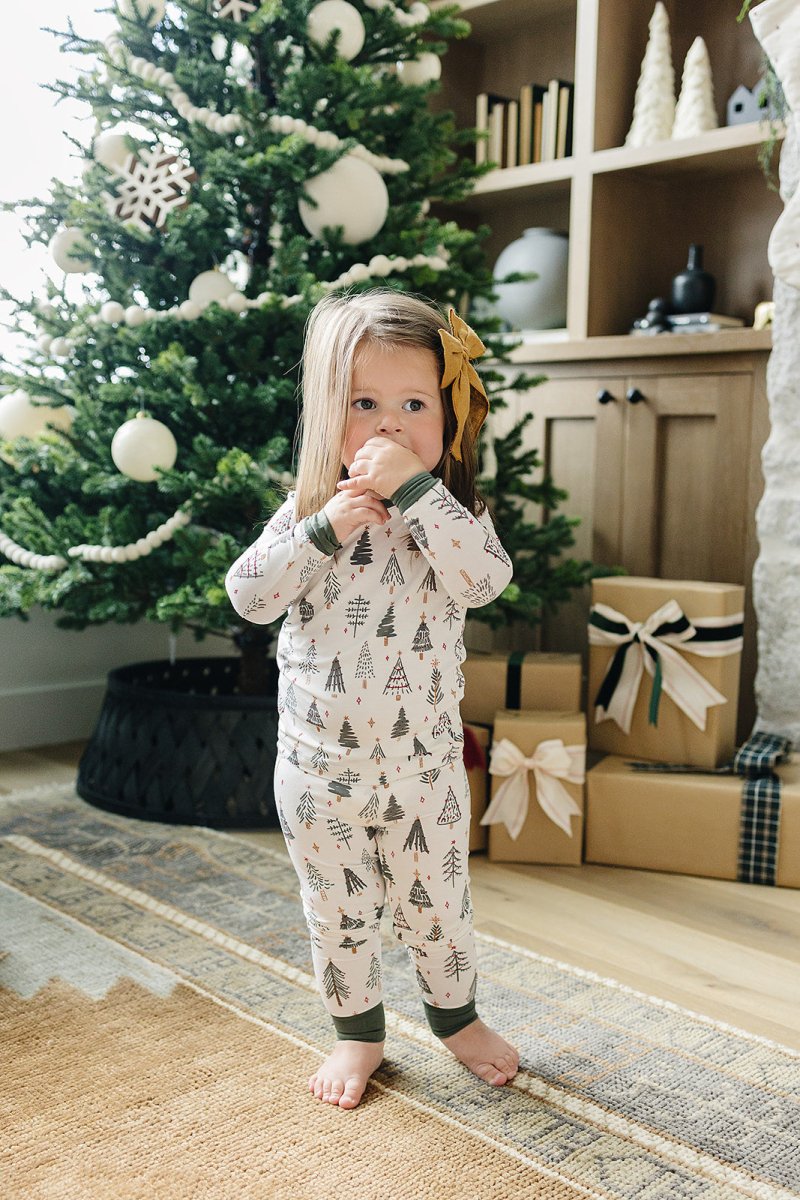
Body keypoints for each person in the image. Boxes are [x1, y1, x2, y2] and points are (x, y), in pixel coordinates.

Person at [226, 289, 520, 1109]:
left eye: (413, 405)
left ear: (448, 418)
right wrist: (323, 529)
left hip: (424, 772)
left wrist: (419, 495)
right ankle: (357, 1034)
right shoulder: (308, 515)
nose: (389, 425)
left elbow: (486, 580)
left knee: (440, 908)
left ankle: (458, 1021)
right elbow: (249, 596)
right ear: (331, 415)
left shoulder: (453, 516)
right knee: (338, 913)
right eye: (365, 405)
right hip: (319, 774)